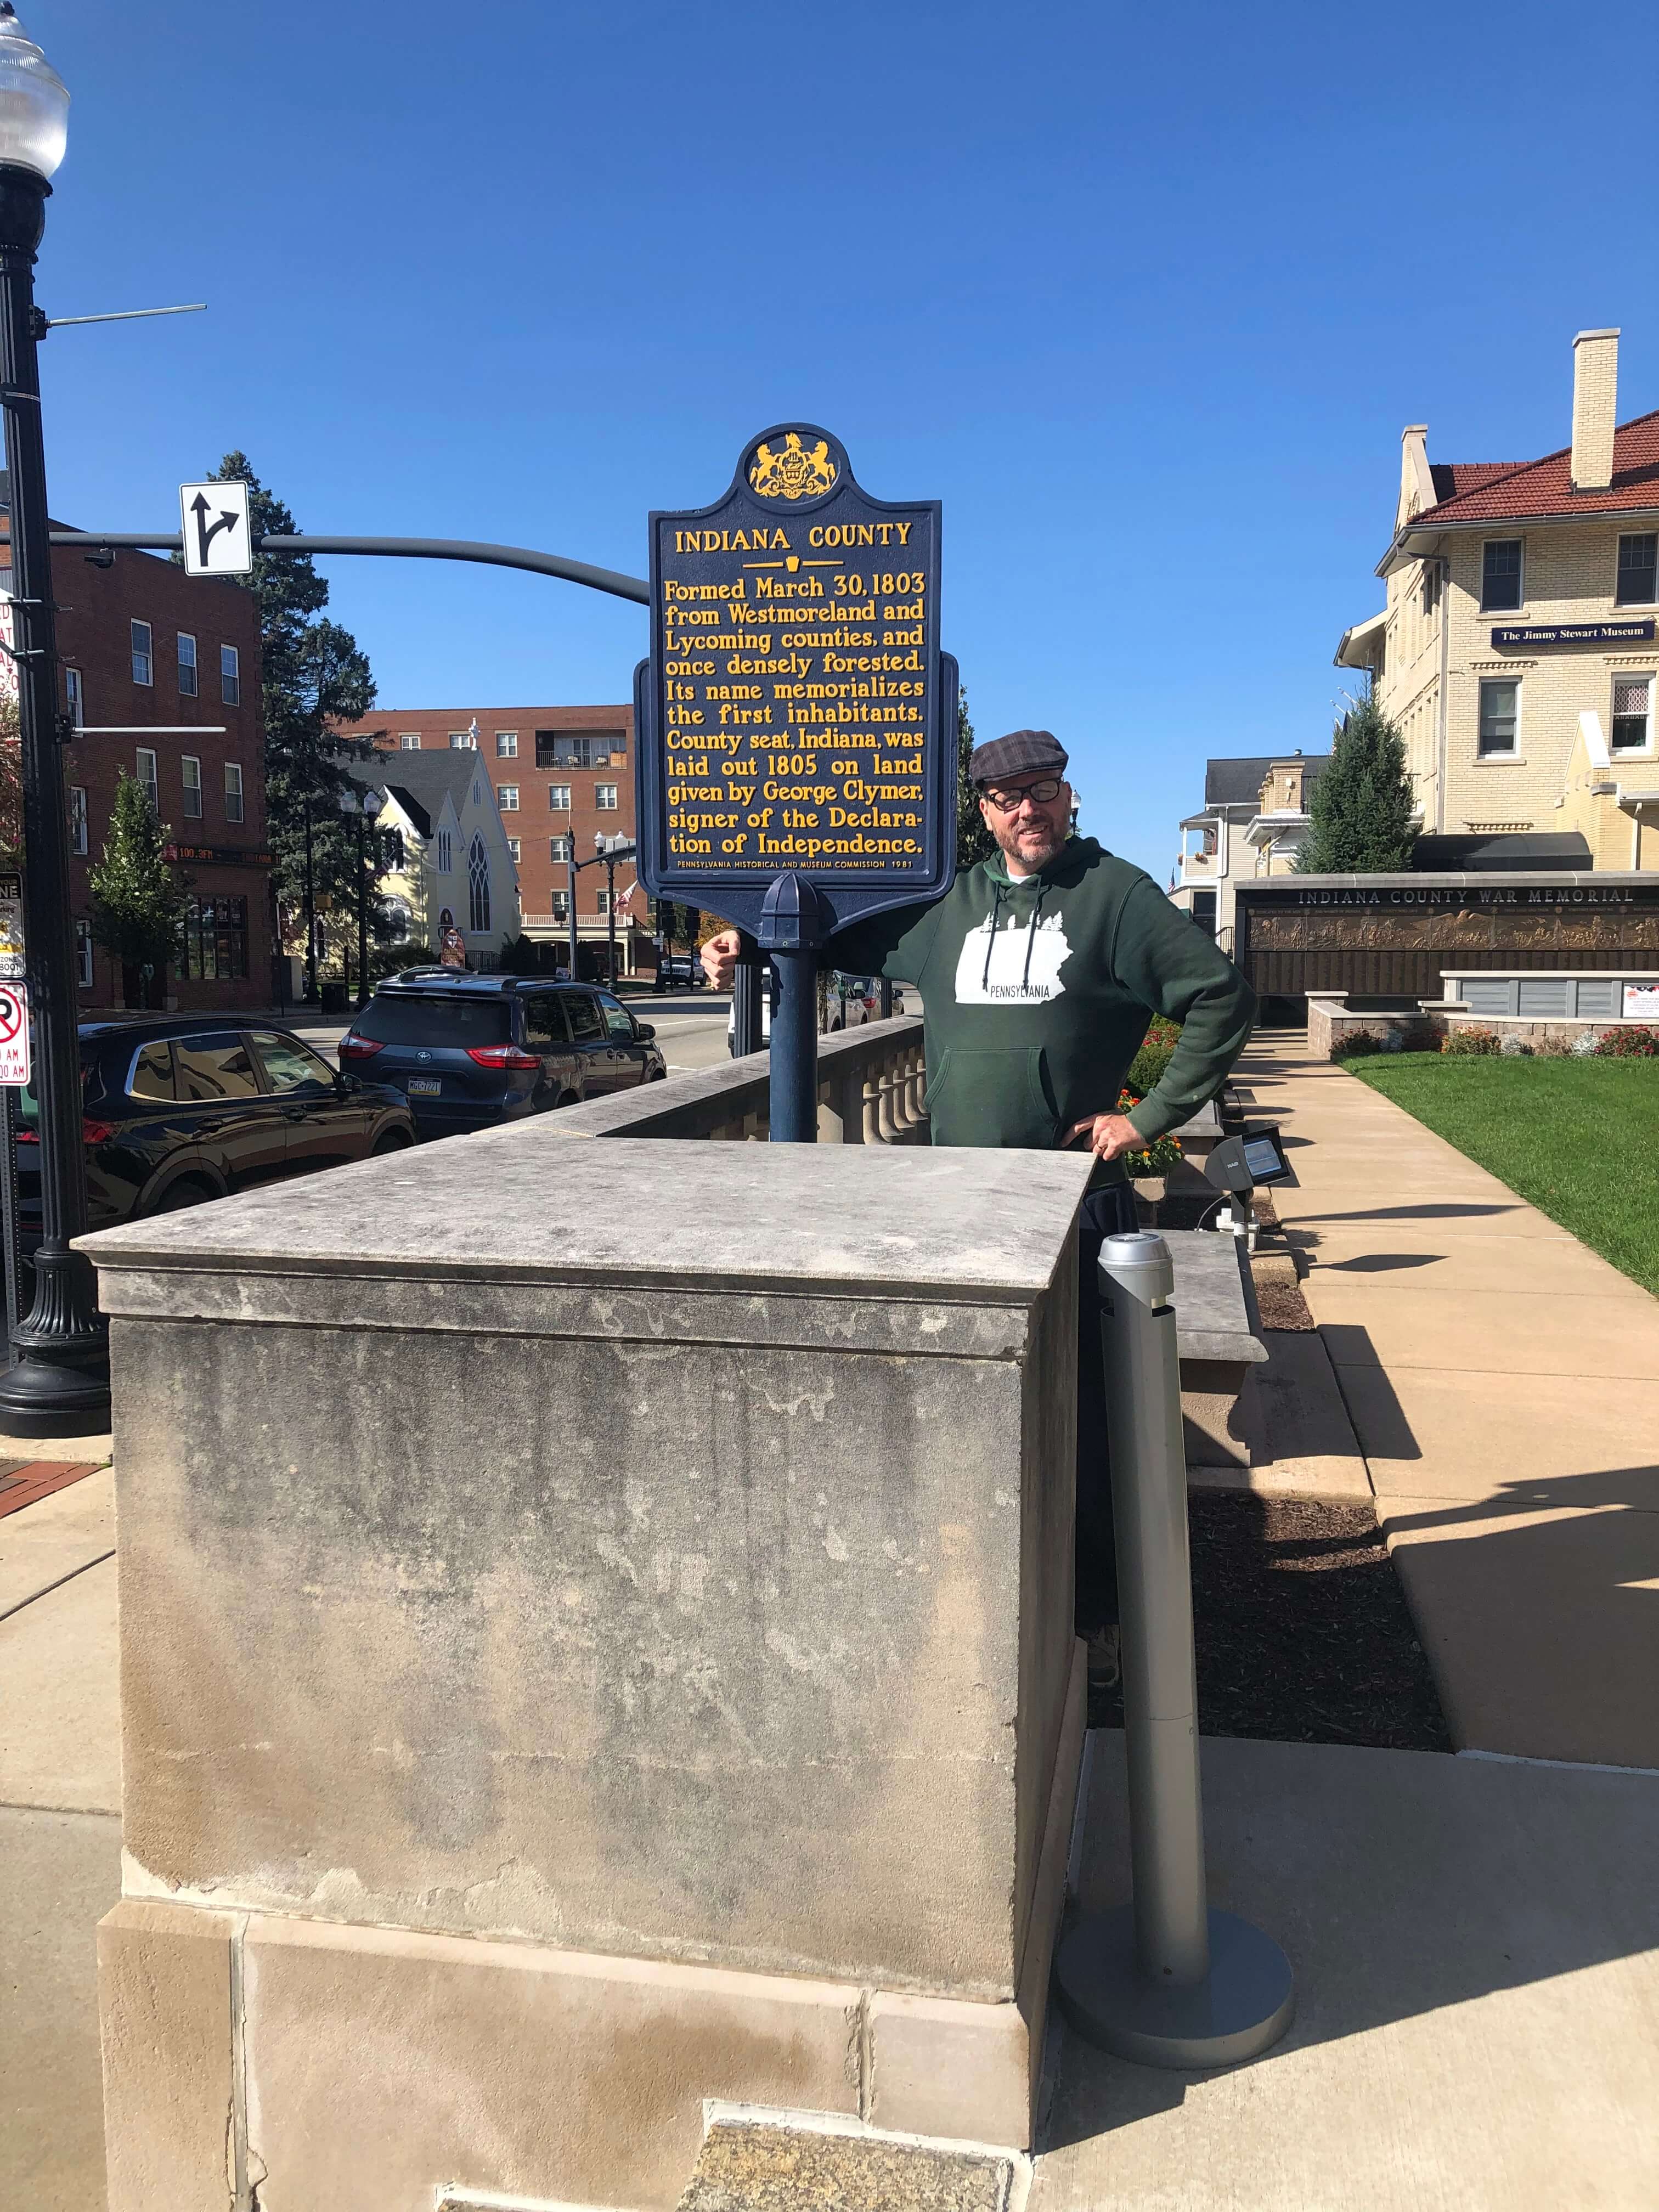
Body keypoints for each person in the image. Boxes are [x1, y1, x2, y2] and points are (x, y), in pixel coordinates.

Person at [701, 728, 1256, 1690]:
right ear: (986, 811)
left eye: (1040, 791)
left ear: (1067, 795)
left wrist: (1150, 1118)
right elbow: (833, 931)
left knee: (1090, 1428)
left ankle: (1103, 1624)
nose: (1024, 811)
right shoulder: (950, 903)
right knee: (983, 1417)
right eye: (1004, 799)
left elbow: (1217, 995)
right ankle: (989, 1603)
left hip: (1072, 1205)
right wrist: (744, 938)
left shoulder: (1114, 895)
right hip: (959, 1207)